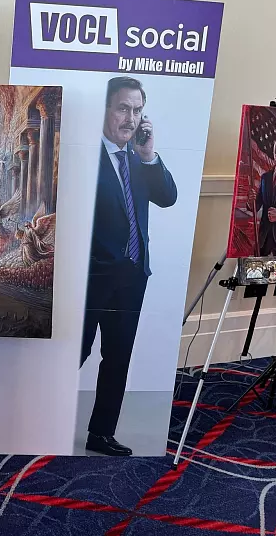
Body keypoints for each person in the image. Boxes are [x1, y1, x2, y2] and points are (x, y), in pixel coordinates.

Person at [80, 76, 177, 456]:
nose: (131, 118)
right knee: (73, 354)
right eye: (123, 108)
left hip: (133, 278)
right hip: (91, 279)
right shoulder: (84, 154)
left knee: (117, 359)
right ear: (105, 109)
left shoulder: (139, 159)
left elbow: (167, 197)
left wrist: (149, 155)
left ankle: (101, 433)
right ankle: (13, 413)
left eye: (137, 110)